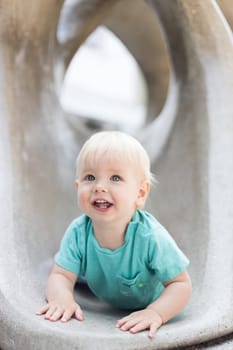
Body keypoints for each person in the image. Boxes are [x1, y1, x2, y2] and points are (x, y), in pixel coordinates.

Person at [37, 131, 192, 339]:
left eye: (115, 178)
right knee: (59, 269)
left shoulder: (150, 237)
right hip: (103, 286)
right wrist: (62, 298)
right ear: (77, 187)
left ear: (140, 193)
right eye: (90, 177)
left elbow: (181, 285)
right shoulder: (78, 232)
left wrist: (156, 312)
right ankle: (63, 263)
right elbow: (60, 276)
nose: (99, 186)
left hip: (147, 297)